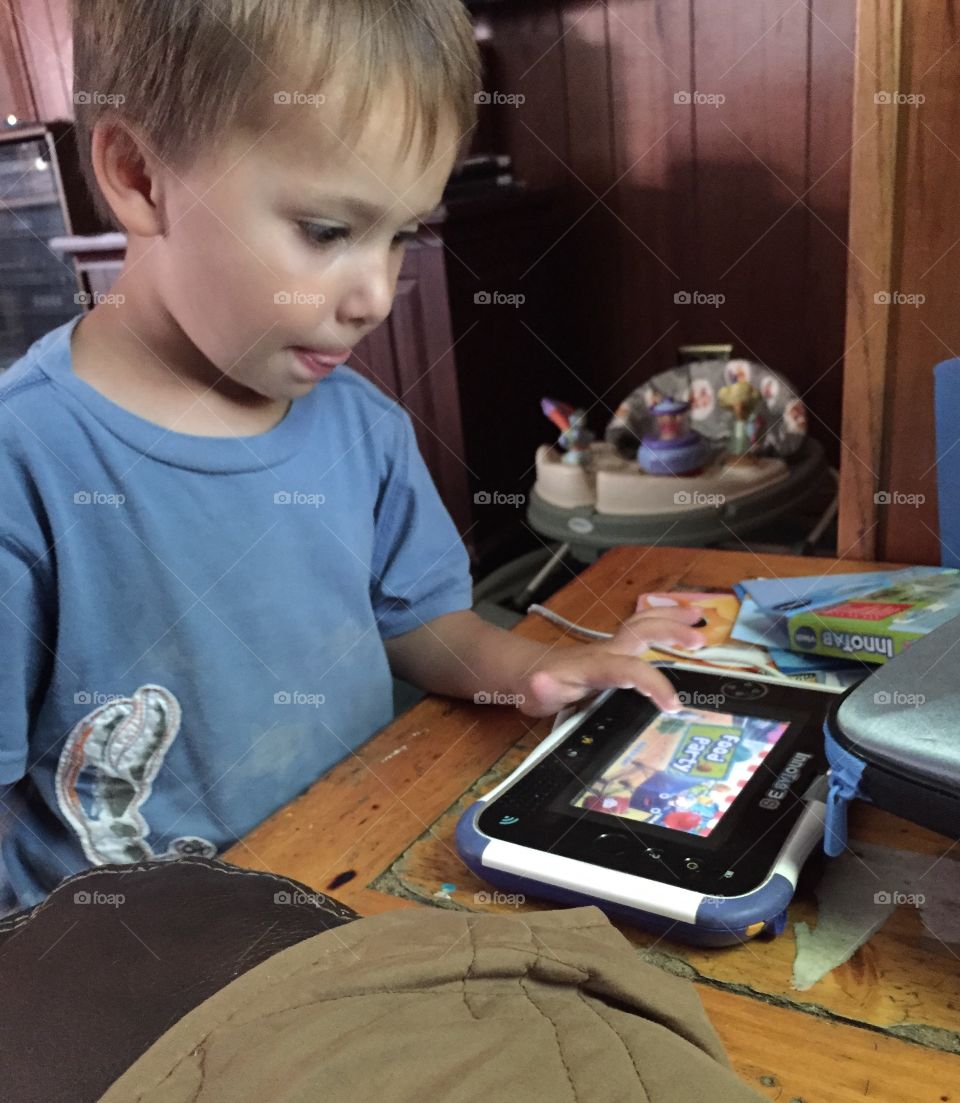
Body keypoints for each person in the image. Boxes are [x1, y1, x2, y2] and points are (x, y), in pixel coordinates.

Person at [0, 0, 706, 912]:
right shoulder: (27, 464)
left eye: (402, 233)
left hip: (356, 874)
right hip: (130, 954)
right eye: (329, 231)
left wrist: (529, 668)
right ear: (139, 176)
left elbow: (418, 623)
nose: (377, 293)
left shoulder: (360, 428)